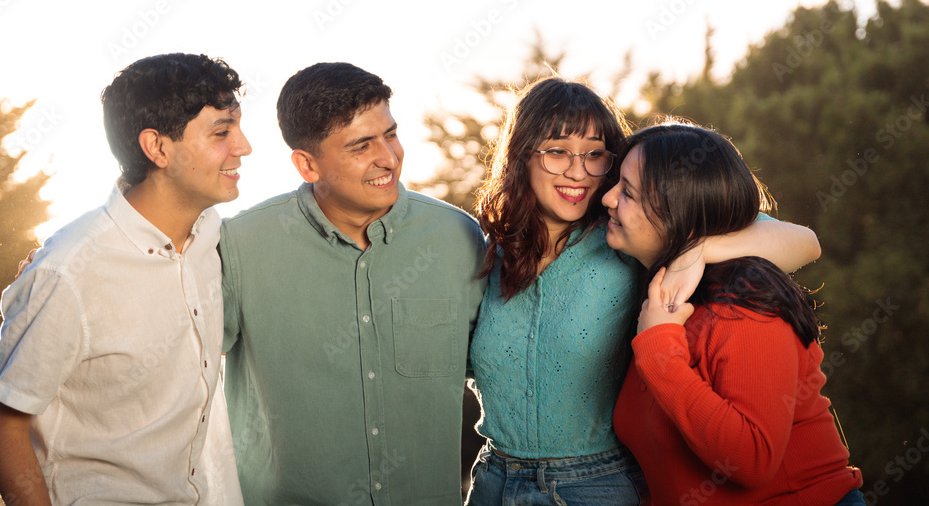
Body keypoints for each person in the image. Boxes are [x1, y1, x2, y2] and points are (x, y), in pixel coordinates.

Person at [465, 78, 822, 505]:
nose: (579, 171)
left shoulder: (630, 236)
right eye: (557, 151)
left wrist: (700, 249)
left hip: (597, 486)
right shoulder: (491, 253)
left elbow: (804, 241)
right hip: (493, 479)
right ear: (521, 154)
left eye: (595, 154)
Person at [0, 53, 251, 505]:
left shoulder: (211, 236)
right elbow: (4, 423)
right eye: (222, 132)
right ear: (158, 148)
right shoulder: (68, 269)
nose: (243, 146)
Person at [220, 62, 487, 504]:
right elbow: (178, 377)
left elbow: (502, 370)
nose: (388, 157)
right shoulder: (241, 245)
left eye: (391, 134)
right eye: (361, 145)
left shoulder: (458, 238)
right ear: (307, 164)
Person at [607, 121, 864, 505]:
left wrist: (659, 351)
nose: (607, 198)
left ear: (677, 211)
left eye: (627, 191)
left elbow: (753, 458)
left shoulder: (744, 305)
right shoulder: (654, 290)